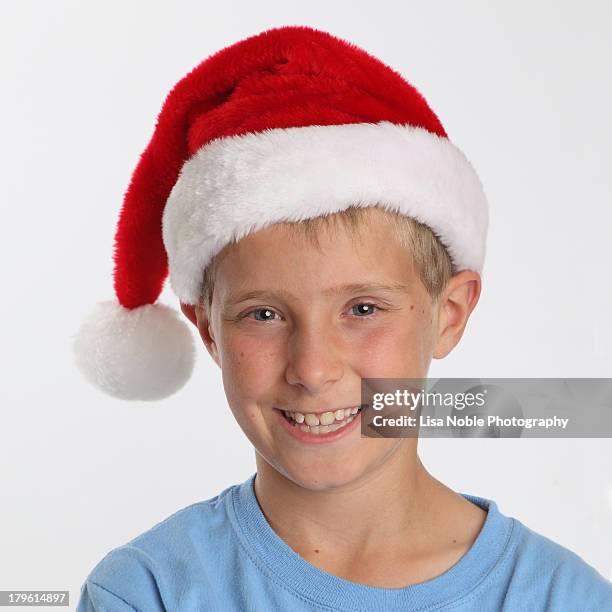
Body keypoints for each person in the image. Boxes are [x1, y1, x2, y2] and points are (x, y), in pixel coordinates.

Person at [73, 25, 612, 611]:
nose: (313, 368)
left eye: (362, 309)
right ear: (208, 330)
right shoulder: (146, 593)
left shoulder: (565, 598)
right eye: (263, 313)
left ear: (449, 314)